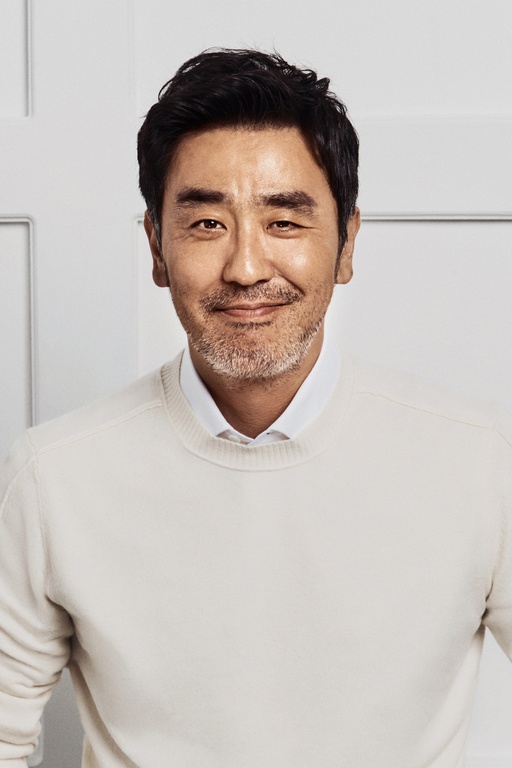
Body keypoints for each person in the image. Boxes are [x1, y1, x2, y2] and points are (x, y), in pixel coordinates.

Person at [0, 48, 511, 768]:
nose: (245, 268)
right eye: (207, 224)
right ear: (156, 248)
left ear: (346, 245)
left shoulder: (478, 461)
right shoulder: (54, 477)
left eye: (285, 223)